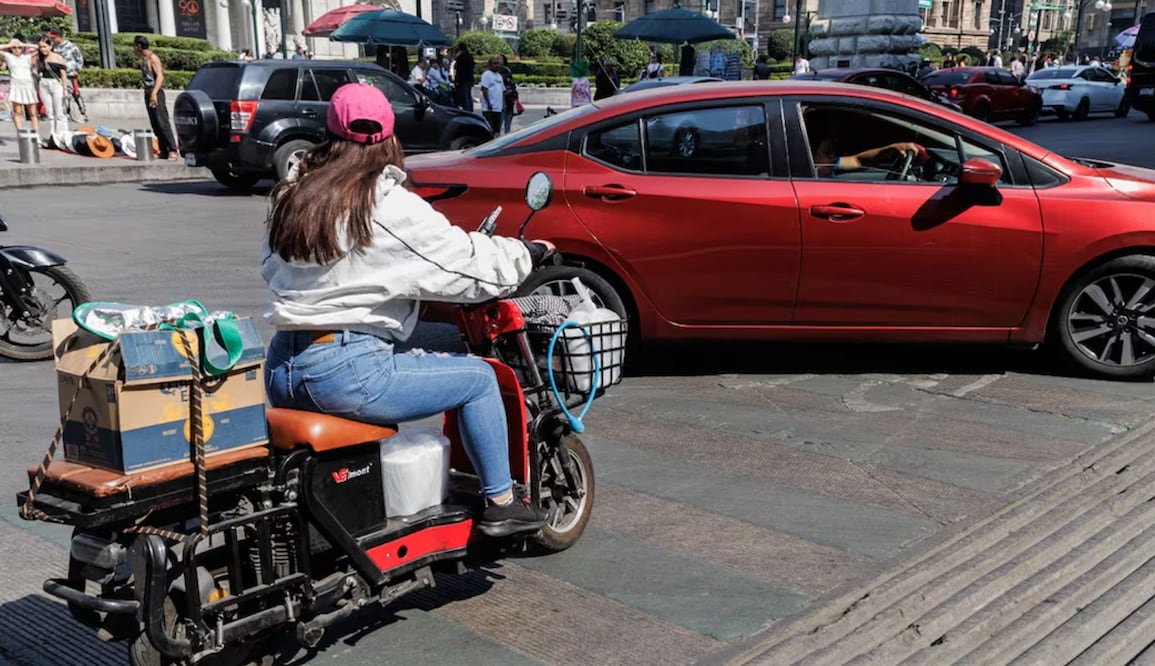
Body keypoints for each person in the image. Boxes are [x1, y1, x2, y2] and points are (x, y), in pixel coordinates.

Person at [261, 82, 551, 537]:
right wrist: (523, 254)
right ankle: (502, 503)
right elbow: (464, 263)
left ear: (330, 133)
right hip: (344, 371)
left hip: (283, 365)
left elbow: (270, 268)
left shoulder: (292, 195)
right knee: (477, 380)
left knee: (410, 351)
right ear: (391, 138)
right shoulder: (386, 202)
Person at [133, 36, 178, 160]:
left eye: (135, 45)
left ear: (139, 46)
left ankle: (172, 149)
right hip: (148, 92)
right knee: (155, 123)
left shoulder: (153, 58)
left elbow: (160, 76)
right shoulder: (143, 59)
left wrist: (154, 93)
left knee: (162, 122)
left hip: (156, 92)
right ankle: (163, 150)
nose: (134, 48)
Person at [0, 39, 38, 137]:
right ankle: (20, 133)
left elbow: (39, 48)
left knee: (32, 113)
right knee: (17, 112)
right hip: (16, 84)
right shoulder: (9, 57)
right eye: (14, 48)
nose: (17, 49)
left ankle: (35, 135)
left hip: (28, 84)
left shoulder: (27, 57)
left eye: (19, 48)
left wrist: (23, 44)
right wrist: (9, 44)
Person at [32, 38, 68, 142]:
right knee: (49, 112)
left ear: (50, 46)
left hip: (56, 84)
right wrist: (37, 49)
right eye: (41, 47)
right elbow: (32, 62)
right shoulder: (39, 58)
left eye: (45, 47)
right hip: (43, 83)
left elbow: (63, 75)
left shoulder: (58, 58)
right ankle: (53, 135)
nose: (43, 49)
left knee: (60, 112)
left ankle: (62, 135)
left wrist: (65, 89)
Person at [479, 56, 504, 135]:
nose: (497, 66)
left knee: (497, 129)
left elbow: (502, 90)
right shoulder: (486, 75)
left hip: (498, 107)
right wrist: (489, 103)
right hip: (489, 108)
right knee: (490, 128)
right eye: (494, 64)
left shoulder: (499, 76)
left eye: (498, 64)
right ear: (489, 65)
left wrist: (504, 104)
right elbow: (484, 89)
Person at [499, 54, 518, 135]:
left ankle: (506, 134)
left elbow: (511, 83)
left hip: (508, 97)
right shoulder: (495, 71)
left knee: (507, 117)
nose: (498, 60)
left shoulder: (506, 70)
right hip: (502, 98)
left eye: (500, 59)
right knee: (500, 118)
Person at [453, 45, 475, 111]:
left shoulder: (461, 57)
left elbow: (459, 70)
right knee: (468, 95)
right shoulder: (470, 56)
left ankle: (467, 110)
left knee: (464, 96)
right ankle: (470, 110)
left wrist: (457, 80)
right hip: (469, 79)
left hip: (463, 80)